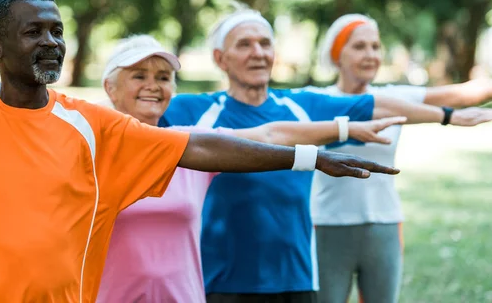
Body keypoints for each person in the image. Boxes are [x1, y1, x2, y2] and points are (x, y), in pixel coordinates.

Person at [0, 0, 401, 303]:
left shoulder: (89, 125)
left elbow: (198, 147)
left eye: (57, 31)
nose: (51, 42)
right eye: (33, 32)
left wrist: (311, 158)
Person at [159, 6, 492, 303]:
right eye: (244, 45)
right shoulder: (192, 110)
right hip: (219, 281)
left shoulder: (302, 105)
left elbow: (377, 104)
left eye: (265, 44)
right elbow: (130, 121)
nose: (258, 53)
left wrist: (446, 116)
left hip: (297, 280)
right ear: (220, 58)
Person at [94, 35, 408, 303]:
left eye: (163, 77)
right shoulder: (88, 150)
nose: (153, 86)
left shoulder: (192, 146)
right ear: (111, 87)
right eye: (139, 75)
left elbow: (270, 134)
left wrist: (344, 130)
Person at [303, 13, 492, 303]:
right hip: (327, 224)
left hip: (384, 225)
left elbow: (461, 94)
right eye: (359, 46)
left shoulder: (395, 96)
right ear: (337, 54)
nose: (370, 55)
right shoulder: (315, 99)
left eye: (376, 46)